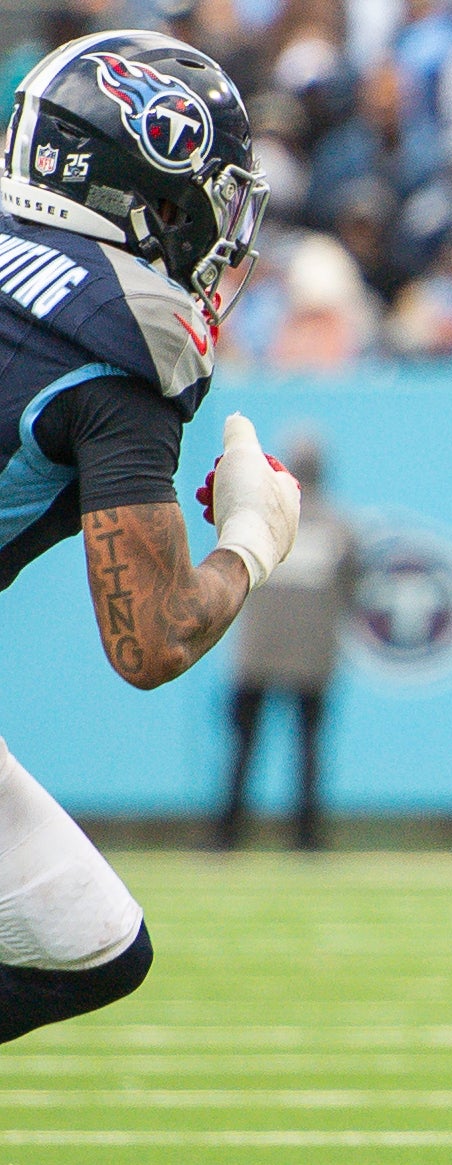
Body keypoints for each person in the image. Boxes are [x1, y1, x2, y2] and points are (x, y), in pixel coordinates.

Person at [0, 30, 301, 1043]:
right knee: (89, 945)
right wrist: (251, 542)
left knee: (87, 937)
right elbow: (153, 638)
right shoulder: (120, 335)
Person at [216, 432, 360, 851]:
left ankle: (227, 835)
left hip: (256, 653)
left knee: (242, 749)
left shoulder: (261, 521)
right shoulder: (339, 526)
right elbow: (354, 590)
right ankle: (307, 837)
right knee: (308, 752)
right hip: (313, 656)